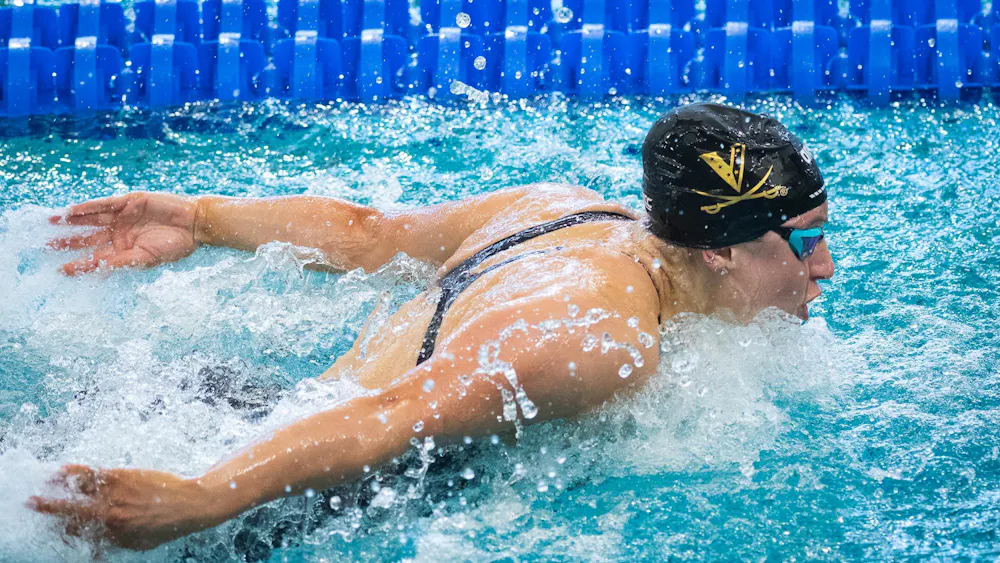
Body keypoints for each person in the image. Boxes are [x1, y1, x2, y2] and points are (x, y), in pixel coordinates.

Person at [27, 103, 833, 550]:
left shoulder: (567, 208)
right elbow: (396, 415)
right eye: (806, 240)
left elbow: (369, 233)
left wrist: (201, 218)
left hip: (235, 409)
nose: (824, 268)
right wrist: (199, 500)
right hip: (273, 492)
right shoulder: (602, 338)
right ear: (723, 249)